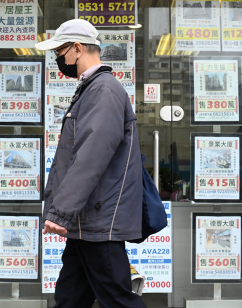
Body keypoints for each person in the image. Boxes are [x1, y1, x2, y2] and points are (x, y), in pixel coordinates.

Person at [35, 19, 146, 308]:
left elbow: (89, 157)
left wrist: (60, 212)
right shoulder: (93, 89)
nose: (58, 60)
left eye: (60, 52)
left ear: (77, 48)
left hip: (98, 222)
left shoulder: (103, 91)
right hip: (87, 222)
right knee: (70, 297)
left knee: (118, 299)